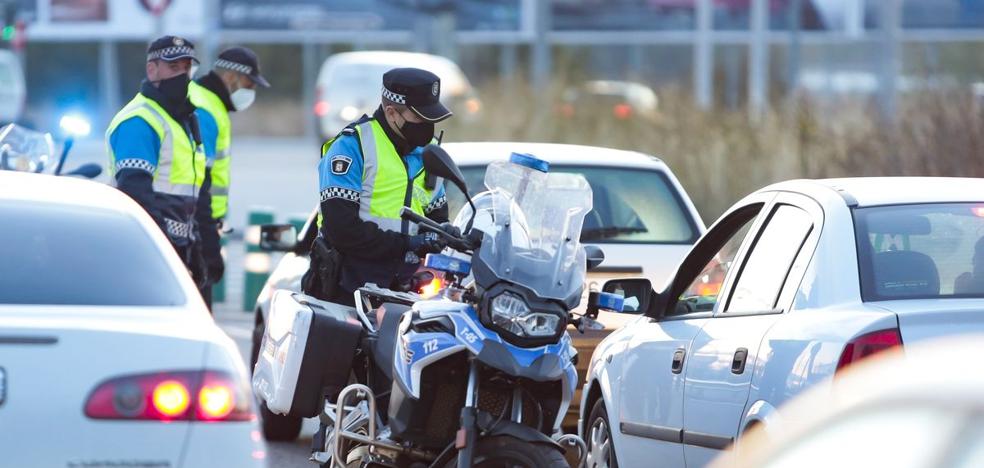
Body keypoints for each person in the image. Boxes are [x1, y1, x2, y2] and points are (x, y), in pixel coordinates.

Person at [304, 68, 455, 306]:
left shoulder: (428, 153)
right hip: (347, 289)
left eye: (431, 119)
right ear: (392, 112)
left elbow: (437, 216)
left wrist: (445, 235)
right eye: (420, 119)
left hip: (406, 292)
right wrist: (406, 244)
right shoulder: (353, 147)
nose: (428, 126)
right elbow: (342, 229)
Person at [106, 35, 208, 290]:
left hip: (177, 248)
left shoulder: (180, 117)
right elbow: (136, 191)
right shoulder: (140, 120)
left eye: (187, 68)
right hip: (148, 251)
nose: (182, 76)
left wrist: (194, 245)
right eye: (174, 68)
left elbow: (188, 191)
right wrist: (163, 248)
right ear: (152, 70)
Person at [189, 46, 271, 309]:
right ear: (231, 77)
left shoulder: (208, 103)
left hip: (200, 222)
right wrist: (208, 241)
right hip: (195, 225)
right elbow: (200, 178)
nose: (251, 91)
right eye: (249, 83)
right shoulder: (205, 108)